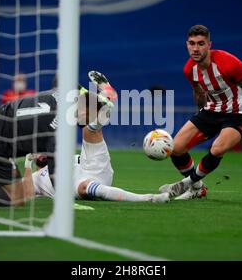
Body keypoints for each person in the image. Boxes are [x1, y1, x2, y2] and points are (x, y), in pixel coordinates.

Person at [0, 71, 167, 206]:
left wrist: (105, 89)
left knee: (9, 176)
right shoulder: (59, 132)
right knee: (17, 197)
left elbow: (94, 104)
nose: (89, 121)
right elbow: (58, 180)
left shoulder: (67, 94)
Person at [159, 25, 242, 200]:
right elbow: (198, 91)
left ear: (209, 45)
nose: (196, 48)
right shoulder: (189, 69)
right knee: (175, 148)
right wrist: (200, 112)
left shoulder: (229, 63)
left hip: (239, 113)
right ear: (187, 45)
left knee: (217, 148)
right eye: (192, 43)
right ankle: (197, 188)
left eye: (201, 43)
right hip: (212, 110)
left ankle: (184, 184)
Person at [22, 86, 169, 203]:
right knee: (84, 187)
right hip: (78, 184)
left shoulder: (63, 157)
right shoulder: (36, 176)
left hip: (93, 165)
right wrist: (28, 163)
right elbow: (26, 194)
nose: (40, 151)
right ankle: (147, 198)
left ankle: (104, 106)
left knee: (88, 129)